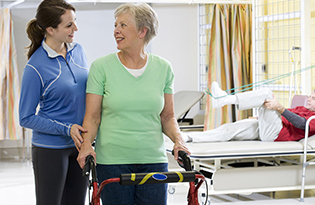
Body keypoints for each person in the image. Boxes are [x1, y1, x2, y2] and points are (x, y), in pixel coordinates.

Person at [76, 3, 190, 205]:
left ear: (142, 31)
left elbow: (168, 117)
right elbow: (93, 117)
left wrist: (178, 141)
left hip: (153, 160)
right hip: (112, 162)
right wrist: (86, 147)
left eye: (123, 25)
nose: (116, 30)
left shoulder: (163, 68)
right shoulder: (101, 67)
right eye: (115, 25)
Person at [18, 0, 88, 204]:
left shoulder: (79, 51)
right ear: (50, 29)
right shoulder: (35, 67)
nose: (76, 28)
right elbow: (26, 117)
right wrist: (67, 129)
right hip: (49, 150)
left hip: (80, 146)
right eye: (69, 25)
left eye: (74, 22)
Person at [185, 81, 315, 143]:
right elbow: (281, 114)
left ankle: (224, 99)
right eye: (310, 96)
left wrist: (280, 108)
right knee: (230, 129)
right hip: (270, 127)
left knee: (267, 93)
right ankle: (191, 138)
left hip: (276, 135)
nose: (309, 99)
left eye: (314, 98)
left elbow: (301, 124)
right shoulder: (303, 108)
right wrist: (261, 117)